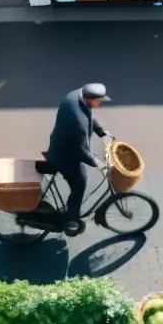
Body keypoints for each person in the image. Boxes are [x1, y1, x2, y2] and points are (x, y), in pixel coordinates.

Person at [43, 83, 110, 227]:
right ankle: (72, 219)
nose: (99, 103)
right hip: (63, 154)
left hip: (62, 142)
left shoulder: (77, 95)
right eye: (98, 101)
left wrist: (102, 133)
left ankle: (70, 210)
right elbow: (81, 151)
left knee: (78, 179)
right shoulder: (78, 122)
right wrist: (99, 163)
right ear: (90, 99)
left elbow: (90, 115)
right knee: (80, 181)